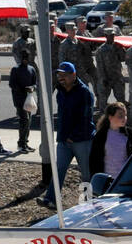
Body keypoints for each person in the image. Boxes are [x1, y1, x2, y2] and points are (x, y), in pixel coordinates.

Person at [39, 62, 96, 207]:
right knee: (58, 170)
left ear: (74, 75)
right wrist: (63, 136)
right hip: (64, 140)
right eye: (59, 75)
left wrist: (73, 135)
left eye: (64, 75)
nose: (61, 78)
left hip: (82, 140)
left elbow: (86, 118)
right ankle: (51, 199)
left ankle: (87, 203)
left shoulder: (84, 93)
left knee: (86, 173)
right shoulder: (61, 91)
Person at [91, 101, 132, 177]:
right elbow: (94, 161)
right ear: (110, 117)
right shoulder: (100, 136)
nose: (124, 118)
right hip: (106, 181)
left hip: (126, 179)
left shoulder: (131, 134)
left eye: (125, 115)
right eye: (120, 116)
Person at [8, 52, 38, 153]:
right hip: (19, 99)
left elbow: (35, 83)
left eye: (27, 58)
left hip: (28, 99)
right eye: (23, 57)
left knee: (28, 121)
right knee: (24, 120)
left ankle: (25, 142)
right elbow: (12, 84)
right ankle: (21, 144)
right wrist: (22, 89)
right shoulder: (15, 69)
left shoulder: (31, 69)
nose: (25, 59)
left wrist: (32, 88)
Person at [94, 27, 126, 115]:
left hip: (117, 78)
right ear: (105, 36)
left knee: (121, 100)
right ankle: (103, 121)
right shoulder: (101, 50)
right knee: (103, 102)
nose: (112, 37)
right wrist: (103, 79)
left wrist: (120, 49)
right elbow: (100, 67)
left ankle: (122, 118)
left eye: (113, 35)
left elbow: (123, 59)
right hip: (106, 79)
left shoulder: (117, 46)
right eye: (109, 35)